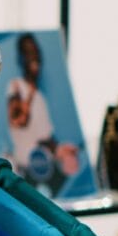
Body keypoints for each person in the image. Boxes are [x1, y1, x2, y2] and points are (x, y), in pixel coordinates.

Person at [6, 33, 79, 196]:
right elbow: (19, 120)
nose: (34, 57)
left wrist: (61, 149)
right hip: (25, 172)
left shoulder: (40, 96)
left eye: (35, 52)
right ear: (22, 57)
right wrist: (30, 91)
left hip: (44, 172)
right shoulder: (16, 86)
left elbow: (44, 138)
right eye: (28, 51)